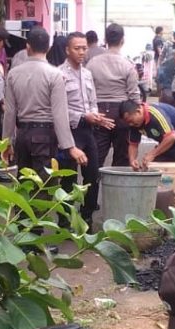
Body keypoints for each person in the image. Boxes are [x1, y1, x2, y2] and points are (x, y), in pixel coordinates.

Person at [3, 27, 87, 177]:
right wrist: (70, 146)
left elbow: (9, 112)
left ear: (27, 46)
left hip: (22, 134)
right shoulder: (55, 75)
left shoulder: (13, 74)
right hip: (45, 136)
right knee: (45, 185)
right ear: (48, 48)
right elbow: (59, 114)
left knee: (24, 183)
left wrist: (6, 143)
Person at [59, 32, 115, 221]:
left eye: (84, 48)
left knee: (92, 175)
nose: (82, 52)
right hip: (69, 132)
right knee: (68, 179)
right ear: (67, 50)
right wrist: (84, 116)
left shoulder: (87, 74)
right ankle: (65, 221)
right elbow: (59, 109)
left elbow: (92, 101)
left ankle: (87, 217)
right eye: (77, 48)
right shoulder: (59, 74)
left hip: (88, 131)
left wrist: (96, 115)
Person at [121, 100, 175, 214]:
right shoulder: (134, 124)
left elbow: (172, 137)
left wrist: (152, 154)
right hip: (166, 141)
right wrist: (132, 160)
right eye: (128, 123)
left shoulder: (155, 114)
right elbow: (133, 144)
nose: (131, 125)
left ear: (139, 111)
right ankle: (161, 206)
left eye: (131, 121)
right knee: (153, 169)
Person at [86, 24, 141, 168]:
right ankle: (117, 189)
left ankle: (91, 188)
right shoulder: (128, 65)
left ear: (105, 39)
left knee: (95, 159)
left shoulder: (92, 64)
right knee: (121, 160)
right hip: (123, 113)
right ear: (122, 40)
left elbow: (87, 91)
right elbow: (134, 95)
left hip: (99, 113)